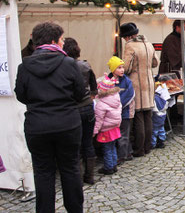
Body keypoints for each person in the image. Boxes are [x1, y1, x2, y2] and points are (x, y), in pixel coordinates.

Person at [14, 22, 85, 213]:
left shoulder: (24, 66)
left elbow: (21, 95)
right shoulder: (69, 64)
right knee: (70, 169)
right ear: (54, 40)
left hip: (37, 126)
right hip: (67, 124)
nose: (63, 43)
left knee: (43, 173)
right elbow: (80, 93)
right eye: (62, 39)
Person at [120, 22, 159, 157]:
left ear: (128, 36)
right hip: (149, 81)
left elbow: (126, 68)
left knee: (138, 116)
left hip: (136, 83)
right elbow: (155, 63)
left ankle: (139, 149)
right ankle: (148, 146)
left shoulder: (130, 46)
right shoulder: (148, 44)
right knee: (148, 115)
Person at [63, 37, 98, 185]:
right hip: (88, 106)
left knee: (74, 145)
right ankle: (89, 176)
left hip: (73, 109)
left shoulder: (64, 67)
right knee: (87, 142)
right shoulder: (85, 65)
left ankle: (77, 178)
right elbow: (94, 88)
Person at [107, 56, 135, 164]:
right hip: (113, 113)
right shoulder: (108, 80)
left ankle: (122, 156)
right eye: (119, 68)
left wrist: (118, 106)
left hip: (124, 112)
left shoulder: (127, 81)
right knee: (120, 134)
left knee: (124, 134)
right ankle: (128, 152)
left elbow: (129, 95)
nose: (122, 70)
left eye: (122, 67)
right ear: (113, 69)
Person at [93, 75, 122, 175]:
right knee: (112, 147)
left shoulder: (101, 104)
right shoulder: (116, 99)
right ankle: (113, 165)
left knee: (107, 149)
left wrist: (95, 131)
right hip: (114, 128)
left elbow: (99, 120)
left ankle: (108, 167)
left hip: (106, 129)